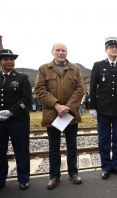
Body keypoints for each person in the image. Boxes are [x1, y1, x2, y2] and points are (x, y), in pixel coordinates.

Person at [35, 43, 84, 189]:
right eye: (58, 50)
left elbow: (80, 89)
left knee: (72, 146)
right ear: (52, 52)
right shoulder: (44, 69)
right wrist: (57, 106)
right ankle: (54, 176)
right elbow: (40, 90)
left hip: (70, 115)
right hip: (53, 115)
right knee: (53, 148)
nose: (60, 53)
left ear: (67, 52)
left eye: (63, 50)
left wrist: (67, 108)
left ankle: (73, 173)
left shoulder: (75, 69)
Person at [89, 37, 117, 179]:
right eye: (111, 47)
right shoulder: (98, 65)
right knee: (104, 139)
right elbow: (93, 88)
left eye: (116, 47)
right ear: (106, 50)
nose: (114, 49)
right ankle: (106, 167)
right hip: (103, 109)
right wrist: (92, 107)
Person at [0, 49, 32, 194]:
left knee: (21, 151)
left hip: (18, 120)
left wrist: (11, 112)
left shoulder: (22, 77)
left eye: (11, 59)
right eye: (5, 59)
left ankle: (23, 179)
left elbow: (26, 98)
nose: (9, 61)